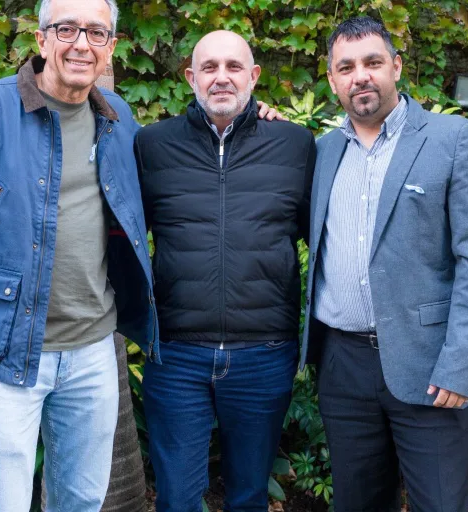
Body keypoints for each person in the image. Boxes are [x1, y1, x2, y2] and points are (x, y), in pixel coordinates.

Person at [0, 0, 158, 510]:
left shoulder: (118, 117)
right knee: (3, 502)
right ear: (41, 40)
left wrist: (255, 118)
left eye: (96, 33)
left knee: (83, 500)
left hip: (92, 351)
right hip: (6, 354)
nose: (81, 43)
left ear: (110, 49)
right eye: (67, 29)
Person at [301, 16, 468, 511]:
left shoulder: (453, 138)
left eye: (372, 62)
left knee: (439, 503)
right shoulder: (322, 151)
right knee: (358, 502)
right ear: (331, 80)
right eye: (345, 67)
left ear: (396, 66)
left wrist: (460, 363)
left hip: (429, 364)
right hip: (343, 366)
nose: (359, 76)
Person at [135, 30, 316, 512]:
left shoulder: (296, 145)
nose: (221, 77)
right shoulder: (152, 146)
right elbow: (126, 237)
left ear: (253, 76)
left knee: (249, 495)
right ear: (191, 78)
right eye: (209, 67)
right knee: (175, 498)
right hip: (175, 356)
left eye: (234, 67)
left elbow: (316, 235)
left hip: (264, 353)